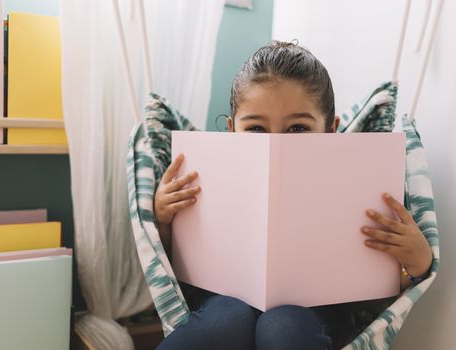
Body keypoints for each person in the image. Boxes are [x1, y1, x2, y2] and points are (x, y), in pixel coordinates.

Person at [153, 41, 433, 350]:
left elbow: (381, 295)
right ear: (231, 130)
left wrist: (418, 261)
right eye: (256, 128)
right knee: (228, 317)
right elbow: (169, 266)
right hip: (225, 299)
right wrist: (164, 219)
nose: (276, 142)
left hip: (316, 312)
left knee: (282, 325)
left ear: (330, 130)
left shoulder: (361, 181)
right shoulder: (203, 174)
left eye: (298, 128)